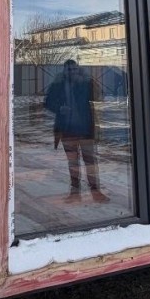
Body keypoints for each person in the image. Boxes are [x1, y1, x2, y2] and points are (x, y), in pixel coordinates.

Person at [45, 60, 110, 203]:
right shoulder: (58, 84)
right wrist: (59, 108)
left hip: (86, 130)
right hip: (67, 131)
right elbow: (48, 102)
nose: (72, 72)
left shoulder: (85, 83)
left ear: (78, 70)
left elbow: (99, 96)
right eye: (69, 70)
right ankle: (75, 193)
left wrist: (89, 80)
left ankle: (95, 192)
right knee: (73, 163)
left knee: (90, 162)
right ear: (64, 71)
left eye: (74, 69)